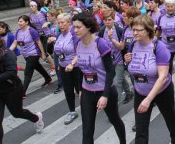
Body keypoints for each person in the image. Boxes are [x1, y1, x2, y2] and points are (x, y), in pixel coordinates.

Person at [125, 15, 175, 144]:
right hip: (141, 91)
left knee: (170, 118)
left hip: (162, 91)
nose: (134, 33)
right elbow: (133, 68)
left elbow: (162, 77)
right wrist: (127, 62)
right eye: (133, 29)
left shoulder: (159, 47)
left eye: (139, 30)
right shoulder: (132, 45)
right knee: (141, 130)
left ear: (149, 30)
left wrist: (149, 100)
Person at [0, 28, 44, 143]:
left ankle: (36, 118)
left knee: (17, 113)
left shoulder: (6, 53)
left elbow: (11, 72)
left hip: (11, 89)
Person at [72, 12, 126, 144]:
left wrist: (105, 96)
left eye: (78, 27)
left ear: (88, 27)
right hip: (87, 92)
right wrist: (80, 89)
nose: (75, 30)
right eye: (74, 27)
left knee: (115, 120)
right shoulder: (77, 44)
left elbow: (110, 71)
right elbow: (80, 68)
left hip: (105, 91)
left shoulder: (100, 44)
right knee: (87, 130)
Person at [9, 15, 52, 98]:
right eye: (18, 21)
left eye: (21, 21)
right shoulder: (18, 31)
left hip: (33, 54)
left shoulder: (32, 31)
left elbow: (39, 42)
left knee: (28, 72)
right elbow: (15, 43)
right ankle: (48, 78)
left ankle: (23, 92)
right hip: (25, 54)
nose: (19, 23)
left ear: (26, 22)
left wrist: (43, 53)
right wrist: (7, 52)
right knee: (38, 66)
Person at [99, 9, 131, 104]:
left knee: (117, 82)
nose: (107, 22)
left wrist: (111, 39)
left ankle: (115, 105)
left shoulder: (119, 30)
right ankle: (129, 92)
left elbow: (122, 47)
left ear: (113, 19)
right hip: (108, 61)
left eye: (109, 20)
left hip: (119, 60)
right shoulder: (101, 31)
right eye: (105, 20)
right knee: (120, 78)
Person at [53, 13, 80, 125]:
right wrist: (60, 64)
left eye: (63, 22)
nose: (60, 25)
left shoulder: (74, 34)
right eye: (59, 23)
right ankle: (72, 111)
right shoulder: (59, 35)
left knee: (80, 91)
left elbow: (80, 52)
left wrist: (72, 64)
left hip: (76, 68)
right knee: (68, 91)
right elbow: (58, 52)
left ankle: (88, 108)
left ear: (69, 23)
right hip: (64, 68)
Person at [156, 0, 175, 73]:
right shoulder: (161, 17)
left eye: (171, 6)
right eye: (167, 6)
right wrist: (154, 41)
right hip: (167, 47)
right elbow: (159, 30)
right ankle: (168, 84)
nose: (169, 8)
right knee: (168, 69)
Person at [29, 0, 56, 75]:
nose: (31, 7)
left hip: (46, 34)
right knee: (46, 51)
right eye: (30, 6)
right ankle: (57, 61)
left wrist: (47, 23)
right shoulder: (31, 14)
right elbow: (32, 25)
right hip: (38, 35)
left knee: (45, 51)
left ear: (37, 6)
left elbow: (52, 20)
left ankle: (53, 67)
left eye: (32, 6)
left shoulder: (43, 14)